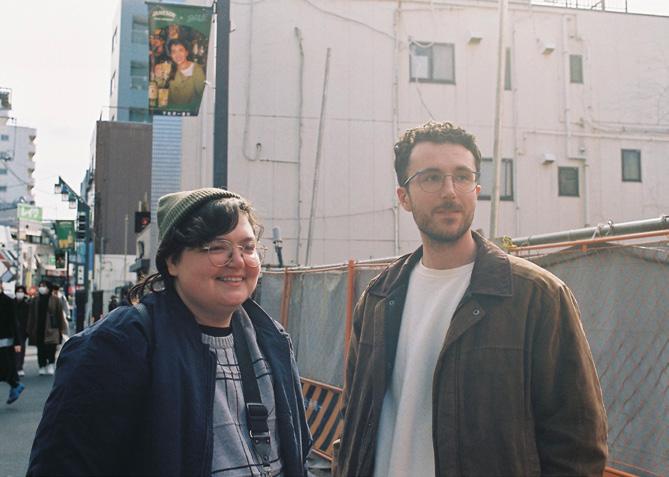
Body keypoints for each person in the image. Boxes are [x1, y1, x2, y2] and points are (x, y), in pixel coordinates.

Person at [336, 122, 608, 476]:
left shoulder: (537, 297)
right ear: (404, 197)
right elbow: (354, 420)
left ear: (476, 189)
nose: (450, 191)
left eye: (462, 177)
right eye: (431, 178)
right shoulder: (378, 298)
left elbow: (578, 444)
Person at [28, 188, 312, 475]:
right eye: (217, 247)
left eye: (248, 248)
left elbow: (298, 457)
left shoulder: (271, 340)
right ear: (172, 261)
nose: (238, 261)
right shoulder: (116, 346)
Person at [26, 281, 66, 376]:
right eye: (40, 286)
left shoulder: (55, 300)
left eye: (44, 286)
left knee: (52, 347)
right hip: (39, 327)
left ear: (49, 288)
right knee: (40, 348)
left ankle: (51, 364)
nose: (42, 288)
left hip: (52, 328)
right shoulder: (35, 300)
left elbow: (60, 315)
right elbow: (31, 315)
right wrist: (29, 328)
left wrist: (62, 328)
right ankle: (42, 365)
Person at [0, 286, 24, 404]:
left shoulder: (8, 301)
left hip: (5, 339)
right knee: (4, 369)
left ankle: (15, 386)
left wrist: (17, 342)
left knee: (5, 368)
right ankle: (15, 386)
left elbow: (14, 321)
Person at [167, 38, 205, 110]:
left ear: (186, 52)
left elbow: (203, 95)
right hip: (173, 110)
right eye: (174, 52)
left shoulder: (196, 69)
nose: (177, 55)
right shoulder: (170, 69)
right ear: (171, 55)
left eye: (180, 50)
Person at [14, 285, 30, 377]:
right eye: (18, 291)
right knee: (11, 349)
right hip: (12, 329)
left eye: (21, 291)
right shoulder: (11, 303)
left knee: (21, 349)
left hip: (22, 330)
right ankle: (13, 367)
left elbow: (29, 318)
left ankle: (19, 367)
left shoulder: (27, 305)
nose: (19, 293)